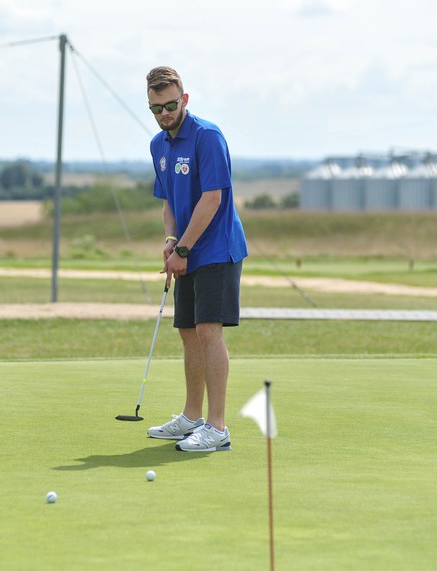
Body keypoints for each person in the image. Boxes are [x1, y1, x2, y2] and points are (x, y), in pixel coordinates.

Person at [145, 66, 247, 452]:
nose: (165, 113)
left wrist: (184, 249)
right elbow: (169, 199)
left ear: (184, 99)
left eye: (171, 105)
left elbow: (212, 198)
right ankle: (192, 417)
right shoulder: (159, 145)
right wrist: (172, 240)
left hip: (217, 249)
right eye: (156, 108)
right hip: (186, 249)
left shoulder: (207, 136)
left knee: (208, 331)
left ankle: (217, 427)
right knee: (188, 331)